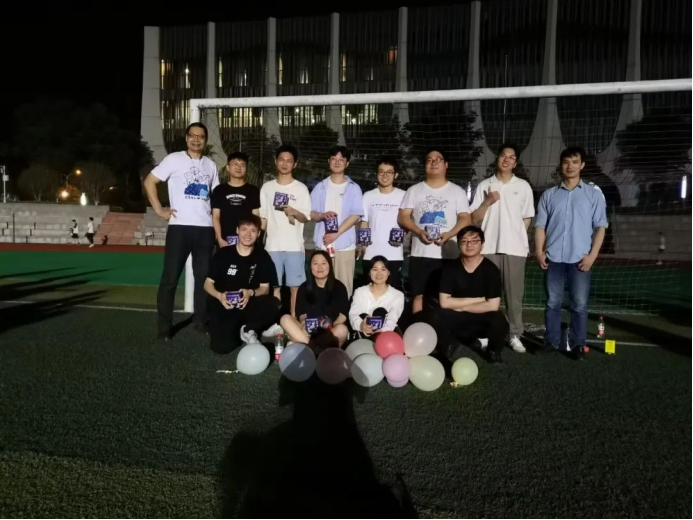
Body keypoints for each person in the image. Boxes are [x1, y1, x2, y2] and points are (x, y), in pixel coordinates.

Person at [143, 122, 219, 341]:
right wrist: (159, 209)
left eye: (201, 136)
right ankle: (164, 325)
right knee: (170, 278)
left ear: (205, 140)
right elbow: (149, 181)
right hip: (179, 228)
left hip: (205, 229)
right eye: (192, 135)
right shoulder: (174, 159)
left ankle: (200, 321)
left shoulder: (210, 165)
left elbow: (215, 198)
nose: (196, 139)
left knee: (203, 278)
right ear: (186, 138)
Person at [535, 147, 608, 360]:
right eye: (566, 162)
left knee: (580, 305)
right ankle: (551, 341)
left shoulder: (593, 195)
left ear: (582, 165)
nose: (570, 166)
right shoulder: (549, 195)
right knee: (552, 303)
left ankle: (578, 344)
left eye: (575, 162)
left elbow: (601, 227)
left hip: (580, 259)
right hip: (554, 258)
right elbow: (540, 226)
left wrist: (592, 256)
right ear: (561, 165)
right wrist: (539, 251)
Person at [470, 144, 534, 353]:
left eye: (511, 157)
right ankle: (485, 332)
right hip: (488, 248)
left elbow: (527, 218)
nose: (506, 160)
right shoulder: (485, 185)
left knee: (513, 296)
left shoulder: (523, 186)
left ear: (515, 162)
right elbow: (474, 218)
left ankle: (514, 334)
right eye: (503, 156)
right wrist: (488, 201)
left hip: (515, 250)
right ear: (497, 158)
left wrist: (515, 237)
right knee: (486, 295)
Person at [398, 148, 471, 314]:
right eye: (429, 160)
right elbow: (403, 217)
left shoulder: (457, 191)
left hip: (448, 255)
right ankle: (418, 326)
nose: (433, 162)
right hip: (420, 254)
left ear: (446, 165)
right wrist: (418, 231)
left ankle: (447, 329)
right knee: (419, 296)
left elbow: (466, 218)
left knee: (448, 298)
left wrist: (449, 234)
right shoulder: (414, 190)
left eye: (438, 159)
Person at [204, 215, 281, 354]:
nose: (248, 234)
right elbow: (207, 284)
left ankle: (248, 329)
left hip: (248, 304)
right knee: (221, 348)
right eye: (244, 229)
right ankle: (233, 329)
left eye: (253, 230)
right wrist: (220, 296)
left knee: (273, 304)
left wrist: (250, 292)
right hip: (223, 304)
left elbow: (264, 288)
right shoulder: (223, 254)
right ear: (237, 230)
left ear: (258, 234)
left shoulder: (262, 256)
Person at [431, 226, 509, 364]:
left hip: (480, 316)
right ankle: (448, 345)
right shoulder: (450, 269)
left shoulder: (491, 270)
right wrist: (478, 300)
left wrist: (460, 306)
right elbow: (444, 302)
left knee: (499, 320)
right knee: (436, 314)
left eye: (474, 241)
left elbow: (493, 306)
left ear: (482, 244)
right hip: (456, 316)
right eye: (464, 241)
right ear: (459, 244)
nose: (469, 244)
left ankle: (493, 350)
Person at [260, 145, 311, 317]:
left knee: (295, 288)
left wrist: (294, 211)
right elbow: (263, 218)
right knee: (274, 287)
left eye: (289, 161)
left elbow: (305, 218)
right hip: (272, 246)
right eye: (281, 159)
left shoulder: (301, 188)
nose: (284, 163)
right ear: (276, 162)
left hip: (294, 247)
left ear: (294, 164)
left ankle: (294, 320)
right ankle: (274, 321)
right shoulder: (267, 188)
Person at [310, 146, 364, 298]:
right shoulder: (320, 187)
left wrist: (336, 234)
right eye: (334, 159)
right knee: (322, 286)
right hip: (323, 245)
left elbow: (355, 215)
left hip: (344, 245)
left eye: (341, 159)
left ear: (347, 163)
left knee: (344, 287)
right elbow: (311, 213)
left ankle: (343, 313)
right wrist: (322, 215)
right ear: (329, 161)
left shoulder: (354, 188)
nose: (337, 162)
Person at [280, 250, 350, 348]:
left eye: (323, 263)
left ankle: (311, 347)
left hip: (331, 332)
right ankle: (313, 346)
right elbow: (302, 314)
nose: (320, 267)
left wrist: (332, 327)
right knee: (285, 319)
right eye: (315, 263)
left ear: (330, 266)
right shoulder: (304, 287)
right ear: (310, 267)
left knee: (342, 330)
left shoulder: (339, 287)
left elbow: (343, 315)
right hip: (309, 333)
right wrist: (304, 325)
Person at [359, 156, 407, 291]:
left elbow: (409, 221)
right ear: (376, 174)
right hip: (371, 254)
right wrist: (363, 244)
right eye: (381, 172)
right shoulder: (368, 196)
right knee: (370, 291)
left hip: (394, 253)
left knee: (393, 292)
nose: (385, 175)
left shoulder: (404, 195)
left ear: (395, 175)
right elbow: (364, 221)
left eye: (389, 172)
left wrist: (403, 234)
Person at [211, 151, 260, 249]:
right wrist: (219, 239)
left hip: (246, 241)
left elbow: (256, 217)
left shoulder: (253, 190)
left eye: (242, 165)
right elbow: (215, 216)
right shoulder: (219, 190)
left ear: (246, 168)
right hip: (224, 241)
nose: (238, 167)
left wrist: (252, 240)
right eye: (235, 164)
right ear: (228, 167)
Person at [349, 256, 405, 339]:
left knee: (382, 312)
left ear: (388, 272)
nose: (379, 274)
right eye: (375, 269)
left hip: (387, 336)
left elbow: (392, 319)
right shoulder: (360, 292)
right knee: (363, 316)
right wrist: (361, 325)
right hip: (363, 336)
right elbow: (353, 314)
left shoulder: (398, 295)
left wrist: (380, 333)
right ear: (369, 272)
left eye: (383, 269)